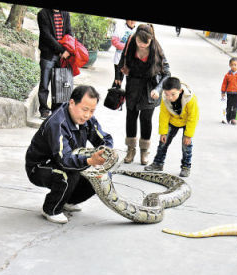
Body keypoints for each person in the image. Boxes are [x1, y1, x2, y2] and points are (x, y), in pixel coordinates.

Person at [25, 85, 113, 224]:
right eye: (84, 109)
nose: (87, 115)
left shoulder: (87, 119)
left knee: (101, 175)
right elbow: (64, 160)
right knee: (67, 174)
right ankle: (51, 208)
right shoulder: (57, 123)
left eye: (92, 111)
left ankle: (68, 200)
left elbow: (105, 139)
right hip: (39, 167)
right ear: (72, 103)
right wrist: (90, 160)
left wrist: (106, 153)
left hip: (65, 160)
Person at [116, 24, 171, 165]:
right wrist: (118, 79)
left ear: (151, 40)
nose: (141, 45)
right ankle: (130, 149)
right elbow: (121, 62)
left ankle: (144, 151)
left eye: (145, 43)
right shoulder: (131, 42)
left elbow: (167, 74)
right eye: (139, 41)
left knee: (146, 120)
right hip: (133, 85)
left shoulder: (157, 50)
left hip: (150, 89)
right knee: (131, 117)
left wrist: (158, 90)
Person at [144, 77, 199, 177]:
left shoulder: (190, 99)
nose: (170, 97)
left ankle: (186, 167)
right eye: (167, 94)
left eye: (173, 94)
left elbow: (193, 117)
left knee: (186, 145)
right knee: (163, 142)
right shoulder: (165, 99)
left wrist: (188, 135)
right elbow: (164, 116)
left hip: (187, 122)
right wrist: (163, 132)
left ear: (180, 90)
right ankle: (158, 163)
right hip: (173, 120)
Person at [37, 8, 73, 119]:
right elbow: (46, 35)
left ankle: (56, 109)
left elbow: (69, 32)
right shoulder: (42, 13)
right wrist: (62, 50)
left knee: (60, 85)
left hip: (62, 56)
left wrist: (68, 50)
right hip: (48, 55)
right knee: (44, 83)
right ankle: (44, 110)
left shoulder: (65, 13)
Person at [220, 57, 237, 124]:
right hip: (229, 93)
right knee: (228, 106)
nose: (233, 66)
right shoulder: (227, 75)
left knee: (235, 106)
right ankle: (227, 118)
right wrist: (223, 92)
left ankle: (233, 119)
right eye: (232, 65)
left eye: (235, 65)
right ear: (230, 65)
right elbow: (224, 84)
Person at [111, 20, 136, 88]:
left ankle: (118, 97)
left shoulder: (137, 31)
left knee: (125, 81)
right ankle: (111, 97)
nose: (133, 21)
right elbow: (114, 41)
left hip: (130, 61)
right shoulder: (120, 28)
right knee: (117, 80)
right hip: (119, 59)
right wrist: (126, 47)